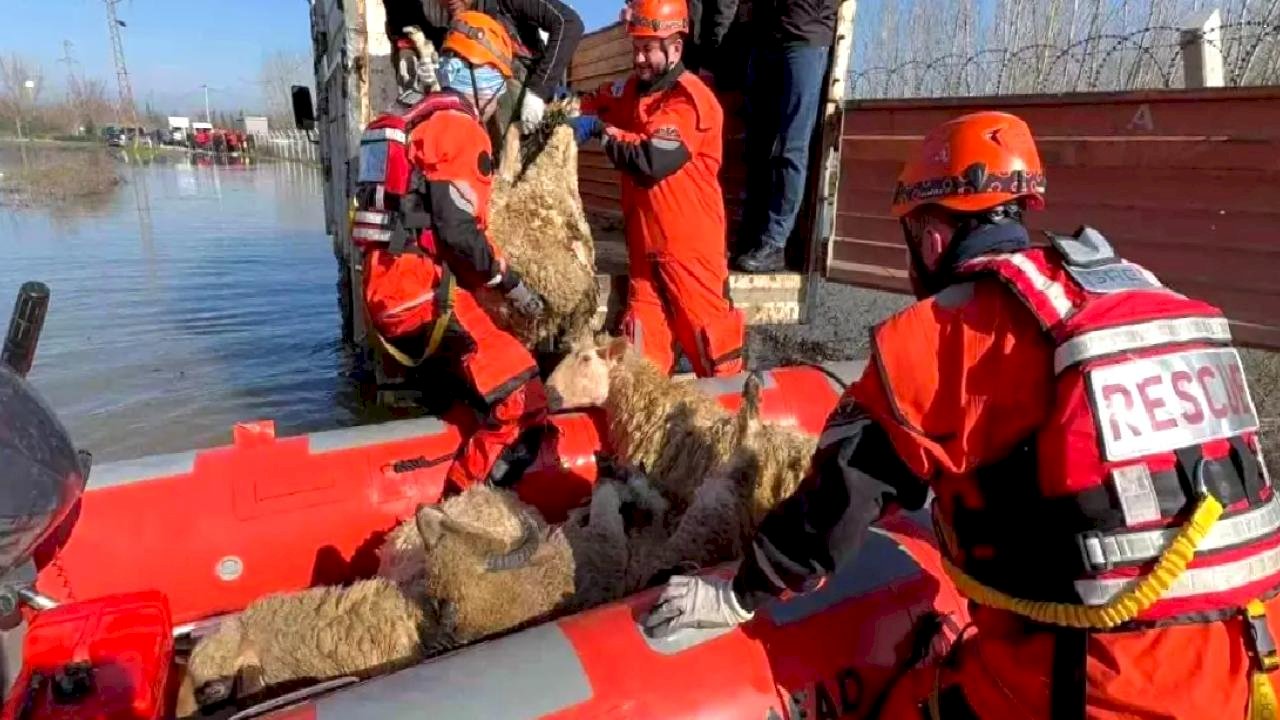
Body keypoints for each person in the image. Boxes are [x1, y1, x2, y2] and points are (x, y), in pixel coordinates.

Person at [643, 110, 1280, 719]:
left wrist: (736, 592)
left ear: (933, 236)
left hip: (1104, 684)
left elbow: (839, 500)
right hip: (1251, 656)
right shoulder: (1139, 295)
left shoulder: (950, 333)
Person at [353, 11, 549, 492]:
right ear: (480, 76)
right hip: (422, 296)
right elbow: (461, 237)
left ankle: (441, 457)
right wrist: (512, 284)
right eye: (499, 85)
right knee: (524, 398)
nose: (498, 99)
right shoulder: (460, 131)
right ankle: (464, 507)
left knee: (469, 385)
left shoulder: (410, 117)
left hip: (386, 289)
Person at [569, 0, 745, 378]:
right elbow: (597, 101)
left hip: (688, 254)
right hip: (645, 257)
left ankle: (736, 430)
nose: (640, 58)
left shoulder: (690, 100)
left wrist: (601, 131)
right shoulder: (633, 89)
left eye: (648, 48)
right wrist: (563, 109)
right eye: (636, 48)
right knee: (639, 371)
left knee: (716, 361)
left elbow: (652, 160)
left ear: (675, 48)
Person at [734, 0, 837, 272]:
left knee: (791, 146)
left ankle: (775, 241)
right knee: (756, 145)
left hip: (805, 37)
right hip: (765, 39)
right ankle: (750, 236)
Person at [381, 0, 584, 138]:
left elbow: (569, 22)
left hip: (527, 114)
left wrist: (539, 91)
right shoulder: (449, 29)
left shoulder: (505, 3)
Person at [620, 0, 740, 83]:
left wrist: (709, 63)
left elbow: (723, 15)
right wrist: (635, 6)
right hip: (671, 53)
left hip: (705, 58)